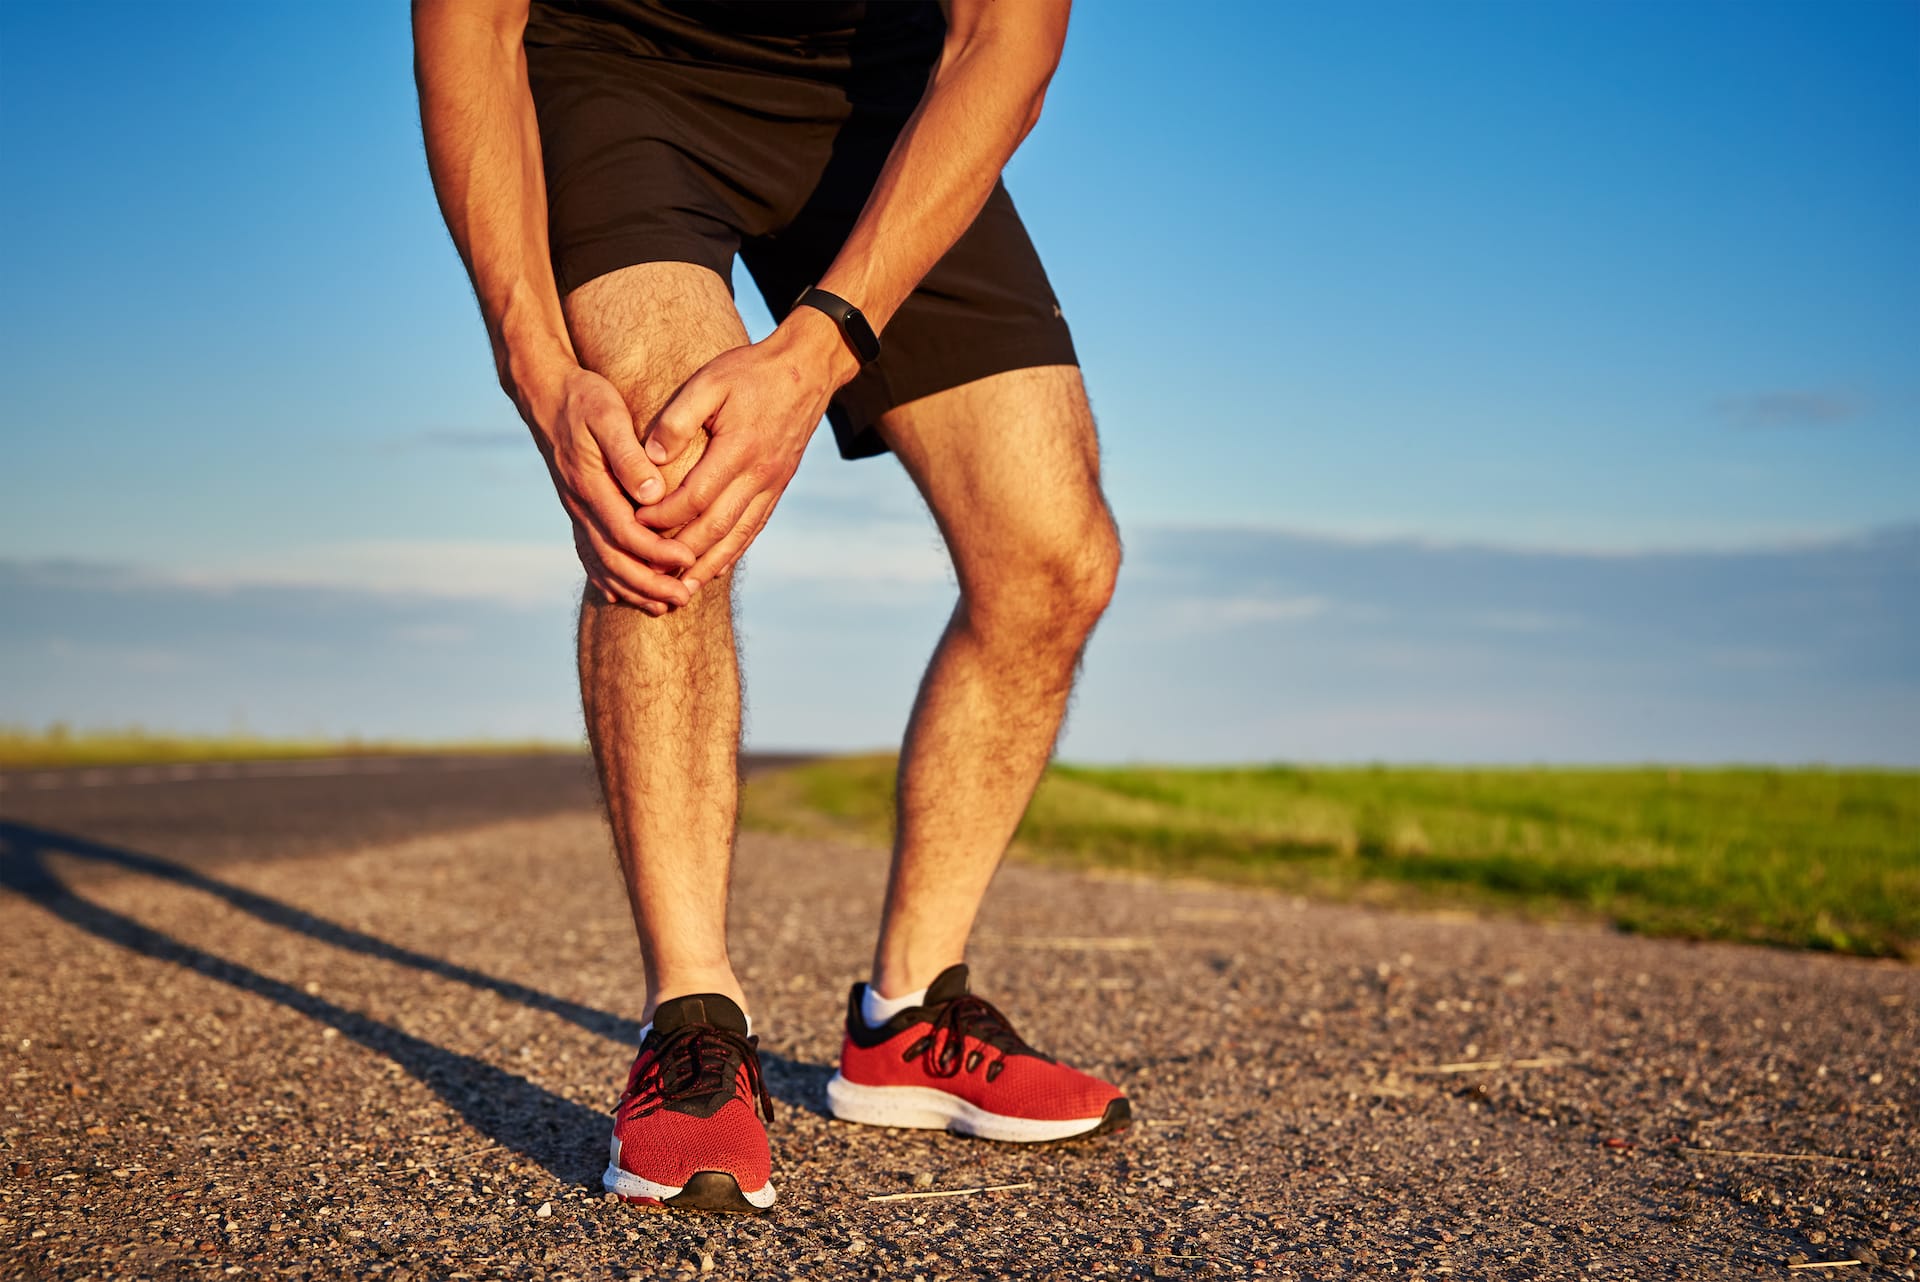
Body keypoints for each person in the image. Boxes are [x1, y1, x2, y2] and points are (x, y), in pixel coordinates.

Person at [412, 0, 1128, 1213]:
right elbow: (470, 29)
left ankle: (909, 1016)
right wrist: (536, 366)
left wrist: (818, 349)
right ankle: (692, 1018)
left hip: (882, 85)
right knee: (665, 477)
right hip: (621, 57)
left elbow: (1010, 40)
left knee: (1053, 557)